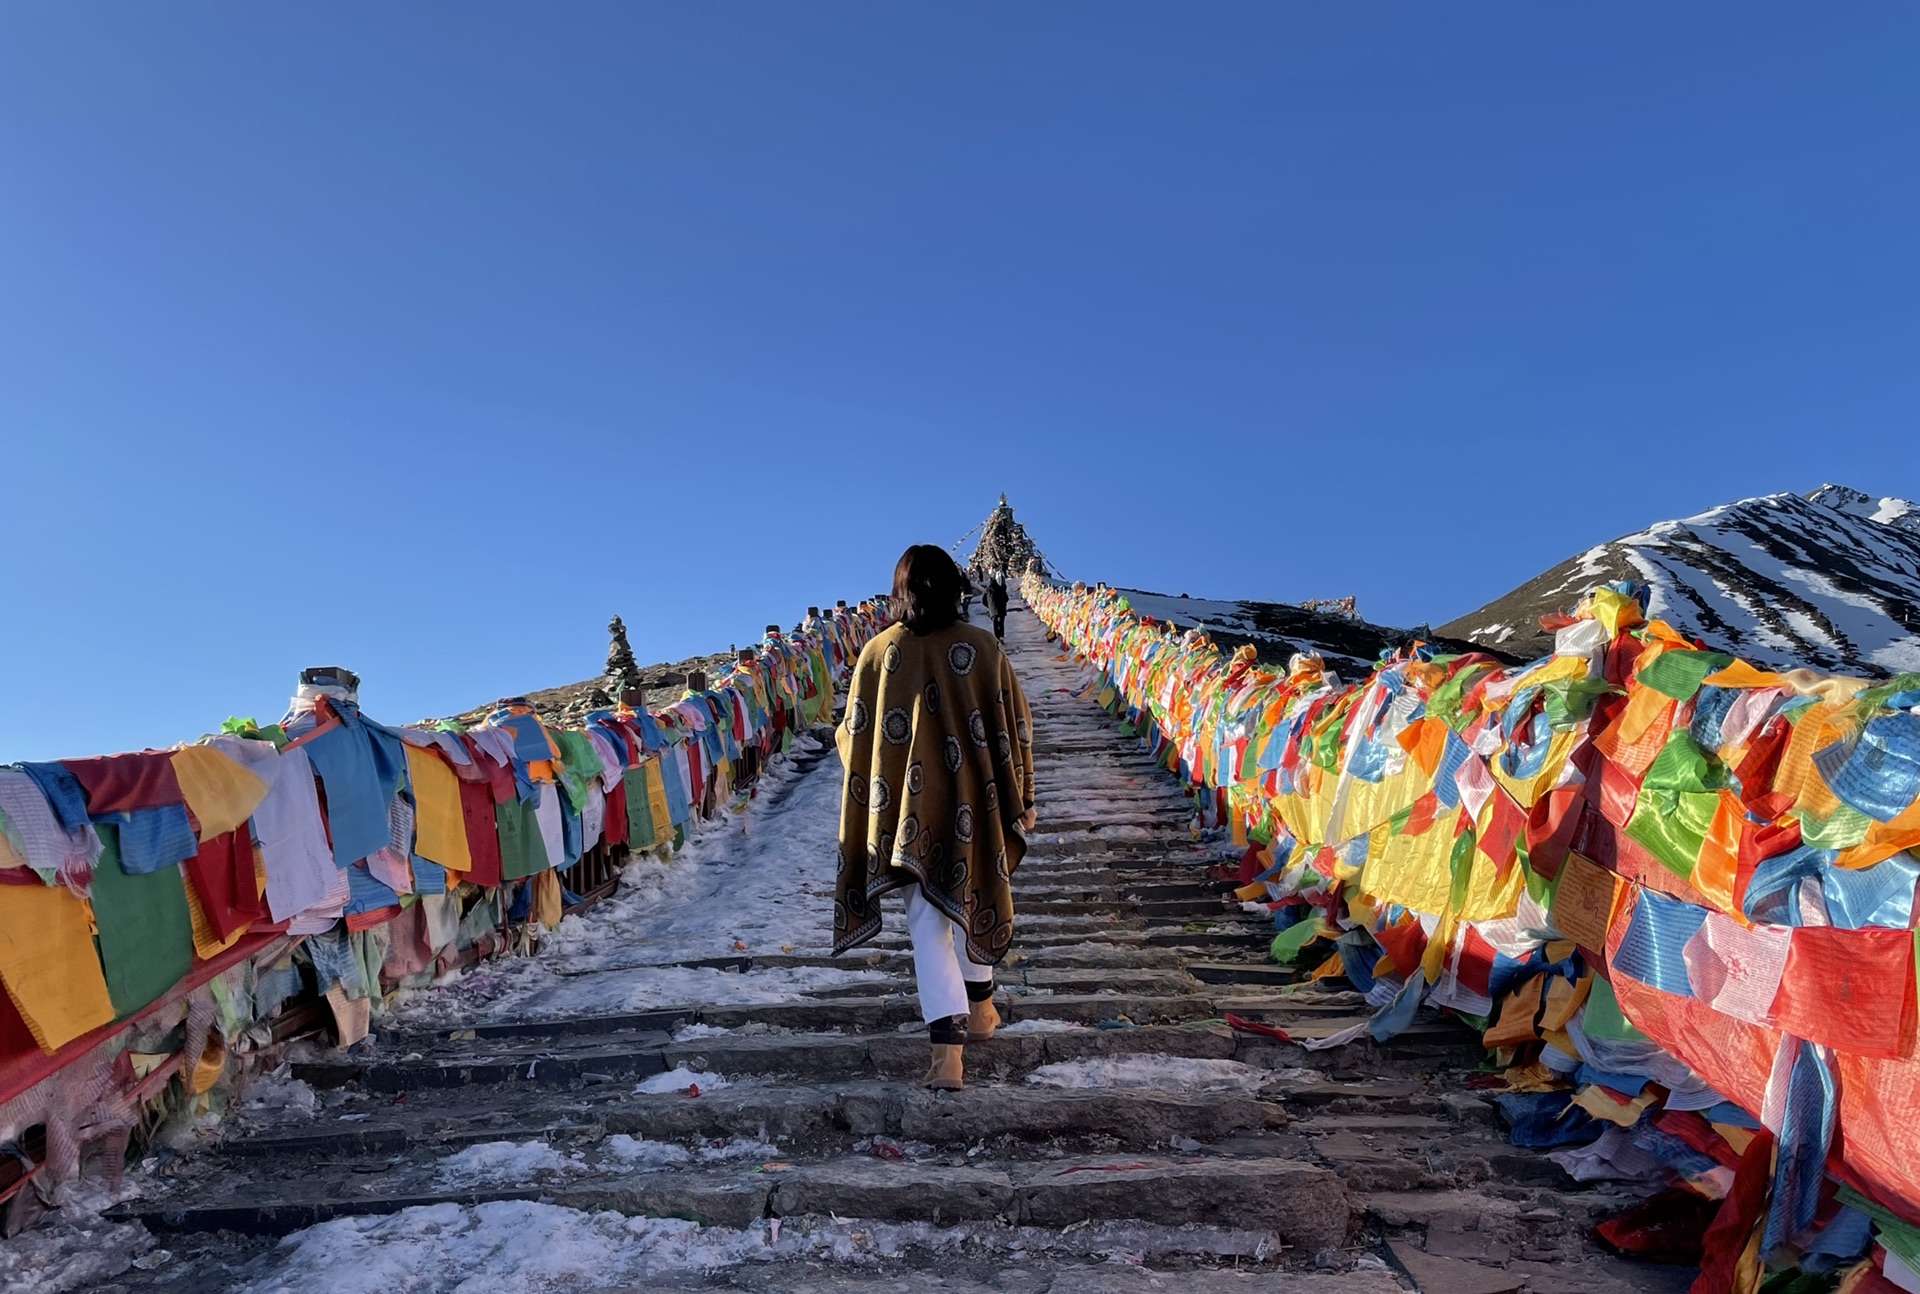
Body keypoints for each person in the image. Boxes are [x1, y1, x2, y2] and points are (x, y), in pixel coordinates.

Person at [834, 545, 1037, 1090]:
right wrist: (1024, 795)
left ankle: (948, 1057)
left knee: (928, 925)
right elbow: (1016, 724)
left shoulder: (878, 653)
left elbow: (854, 735)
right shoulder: (983, 646)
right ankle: (982, 1009)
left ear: (899, 590)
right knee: (976, 890)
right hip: (978, 802)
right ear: (954, 588)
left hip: (907, 812)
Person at [983, 573, 1009, 640]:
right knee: (1001, 623)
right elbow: (1006, 598)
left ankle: (997, 637)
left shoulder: (987, 590)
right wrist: (1003, 603)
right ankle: (1001, 636)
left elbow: (983, 601)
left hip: (993, 610)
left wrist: (989, 606)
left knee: (995, 624)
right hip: (1001, 609)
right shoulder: (1000, 588)